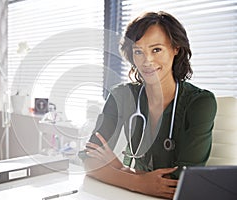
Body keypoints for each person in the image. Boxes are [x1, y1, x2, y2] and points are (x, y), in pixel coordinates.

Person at [79, 11, 217, 199]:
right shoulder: (121, 96)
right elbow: (89, 160)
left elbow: (180, 183)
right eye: (138, 51)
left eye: (156, 49)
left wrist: (120, 169)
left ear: (176, 48)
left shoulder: (200, 103)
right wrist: (138, 182)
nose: (147, 61)